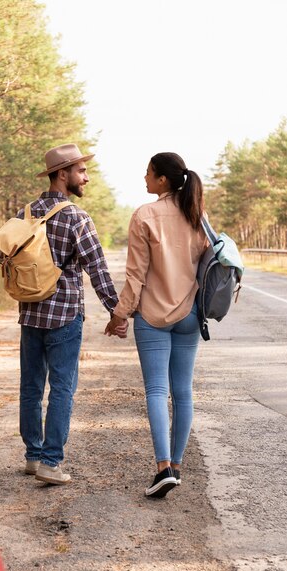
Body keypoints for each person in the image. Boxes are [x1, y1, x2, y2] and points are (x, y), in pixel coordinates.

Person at [17, 143, 127, 486]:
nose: (86, 177)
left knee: (31, 388)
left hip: (30, 314)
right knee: (62, 388)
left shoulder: (26, 214)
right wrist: (117, 312)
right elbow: (98, 270)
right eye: (81, 171)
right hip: (64, 314)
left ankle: (34, 457)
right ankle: (52, 462)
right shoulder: (77, 217)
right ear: (62, 174)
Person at [105, 152, 208, 498]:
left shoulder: (145, 215)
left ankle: (162, 466)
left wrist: (120, 314)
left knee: (155, 391)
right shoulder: (197, 214)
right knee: (182, 391)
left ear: (162, 179)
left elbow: (136, 275)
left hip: (151, 317)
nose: (144, 178)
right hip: (190, 314)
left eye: (148, 173)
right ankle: (176, 467)